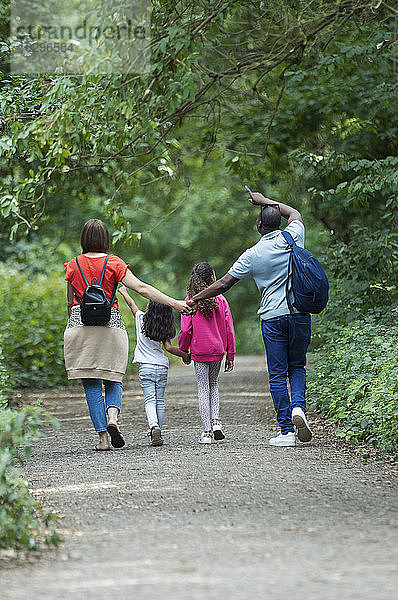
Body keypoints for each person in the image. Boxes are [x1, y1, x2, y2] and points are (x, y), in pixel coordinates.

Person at [187, 194, 312, 447]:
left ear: (259, 225)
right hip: (299, 313)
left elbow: (222, 284)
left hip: (273, 318)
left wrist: (195, 299)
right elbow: (295, 214)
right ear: (278, 221)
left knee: (277, 373)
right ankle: (298, 407)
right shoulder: (294, 235)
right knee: (297, 366)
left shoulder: (253, 254)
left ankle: (287, 431)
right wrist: (266, 200)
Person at [64, 218, 191, 451]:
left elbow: (70, 303)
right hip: (110, 326)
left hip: (80, 327)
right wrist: (174, 303)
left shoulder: (72, 265)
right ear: (105, 239)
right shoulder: (114, 263)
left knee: (91, 384)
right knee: (113, 377)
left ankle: (103, 439)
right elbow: (142, 288)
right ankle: (113, 417)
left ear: (83, 239)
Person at [118, 285, 190, 446]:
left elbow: (132, 305)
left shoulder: (141, 319)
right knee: (160, 401)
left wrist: (124, 292)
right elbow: (170, 348)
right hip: (161, 367)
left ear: (151, 307)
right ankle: (158, 432)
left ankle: (154, 426)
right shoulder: (164, 326)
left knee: (149, 399)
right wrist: (185, 355)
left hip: (146, 367)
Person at [178, 262, 236, 444]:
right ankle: (216, 422)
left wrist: (183, 350)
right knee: (214, 384)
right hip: (217, 350)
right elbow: (229, 329)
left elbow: (186, 330)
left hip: (199, 351)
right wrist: (230, 354)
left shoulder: (190, 301)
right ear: (212, 278)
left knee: (203, 388)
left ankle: (207, 433)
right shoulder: (221, 300)